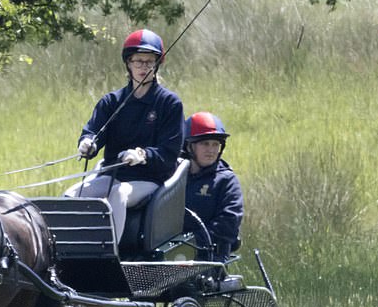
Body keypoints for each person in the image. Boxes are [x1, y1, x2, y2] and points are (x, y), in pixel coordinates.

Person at [65, 29, 185, 243]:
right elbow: (93, 132)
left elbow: (169, 152)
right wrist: (87, 143)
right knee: (71, 195)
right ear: (128, 63)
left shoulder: (169, 103)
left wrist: (142, 155)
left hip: (150, 179)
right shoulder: (111, 101)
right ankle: (67, 253)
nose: (144, 67)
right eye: (138, 61)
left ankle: (110, 256)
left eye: (149, 62)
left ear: (157, 64)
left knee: (118, 194)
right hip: (112, 175)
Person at [182, 111, 244, 262]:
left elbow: (228, 224)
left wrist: (189, 243)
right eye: (205, 143)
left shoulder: (227, 181)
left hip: (209, 261)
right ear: (189, 146)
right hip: (169, 259)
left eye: (215, 144)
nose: (211, 150)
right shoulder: (173, 177)